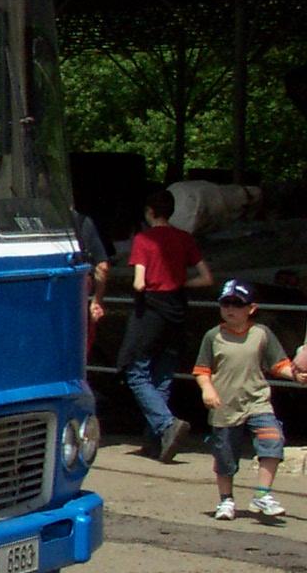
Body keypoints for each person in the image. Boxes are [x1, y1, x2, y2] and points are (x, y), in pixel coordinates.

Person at [192, 280, 302, 520]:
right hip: (225, 405)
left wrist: (295, 375)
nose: (230, 309)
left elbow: (278, 364)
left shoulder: (261, 333)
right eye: (225, 303)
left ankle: (262, 494)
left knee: (273, 440)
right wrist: (207, 389)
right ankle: (226, 500)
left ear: (251, 308)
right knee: (225, 457)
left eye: (237, 304)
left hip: (257, 401)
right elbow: (202, 370)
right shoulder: (213, 336)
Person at [119, 186, 214, 461]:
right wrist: (181, 283)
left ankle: (166, 424)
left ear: (149, 212)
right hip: (177, 310)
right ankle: (156, 442)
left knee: (136, 371)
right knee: (163, 376)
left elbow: (139, 283)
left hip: (150, 311)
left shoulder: (144, 240)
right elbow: (207, 277)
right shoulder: (184, 238)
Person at [74, 207, 111, 353]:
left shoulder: (35, 221)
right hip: (79, 295)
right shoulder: (83, 222)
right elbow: (102, 267)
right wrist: (97, 300)